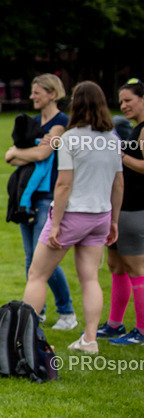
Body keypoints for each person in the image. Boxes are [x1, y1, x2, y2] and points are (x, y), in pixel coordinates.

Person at [22, 81, 122, 354]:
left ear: (76, 104)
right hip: (100, 215)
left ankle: (26, 338)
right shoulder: (113, 139)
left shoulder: (70, 137)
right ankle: (89, 340)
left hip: (71, 215)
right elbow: (118, 184)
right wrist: (113, 221)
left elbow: (64, 185)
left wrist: (55, 225)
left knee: (37, 274)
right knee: (90, 278)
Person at [5, 75, 76, 329]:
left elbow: (44, 152)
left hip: (50, 196)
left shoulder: (61, 123)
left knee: (43, 257)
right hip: (27, 196)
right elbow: (9, 158)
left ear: (52, 94)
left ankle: (67, 312)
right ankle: (38, 310)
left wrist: (19, 152)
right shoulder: (33, 122)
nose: (33, 96)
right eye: (32, 92)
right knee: (29, 258)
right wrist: (21, 154)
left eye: (37, 92)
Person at [98, 79, 144, 345]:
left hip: (135, 209)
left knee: (136, 269)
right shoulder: (134, 129)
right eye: (121, 101)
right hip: (120, 208)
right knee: (116, 266)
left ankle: (141, 330)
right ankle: (115, 324)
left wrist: (120, 155)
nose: (123, 105)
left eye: (129, 100)